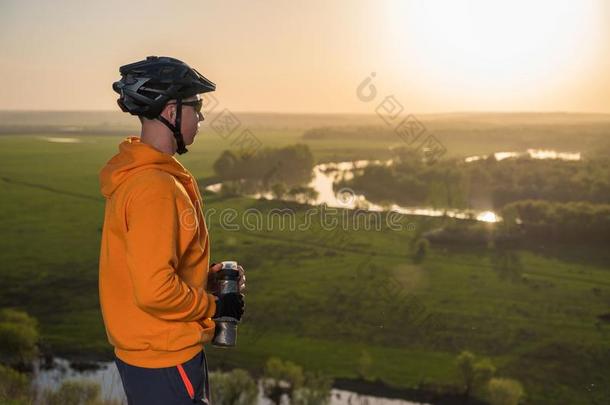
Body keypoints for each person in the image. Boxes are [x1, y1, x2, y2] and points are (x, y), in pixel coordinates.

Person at [98, 56, 245, 404]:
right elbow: (154, 290)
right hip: (165, 356)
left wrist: (203, 279)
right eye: (196, 106)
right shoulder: (155, 187)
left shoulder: (143, 175)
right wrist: (213, 305)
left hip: (155, 353)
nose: (202, 116)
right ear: (171, 111)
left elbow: (150, 268)